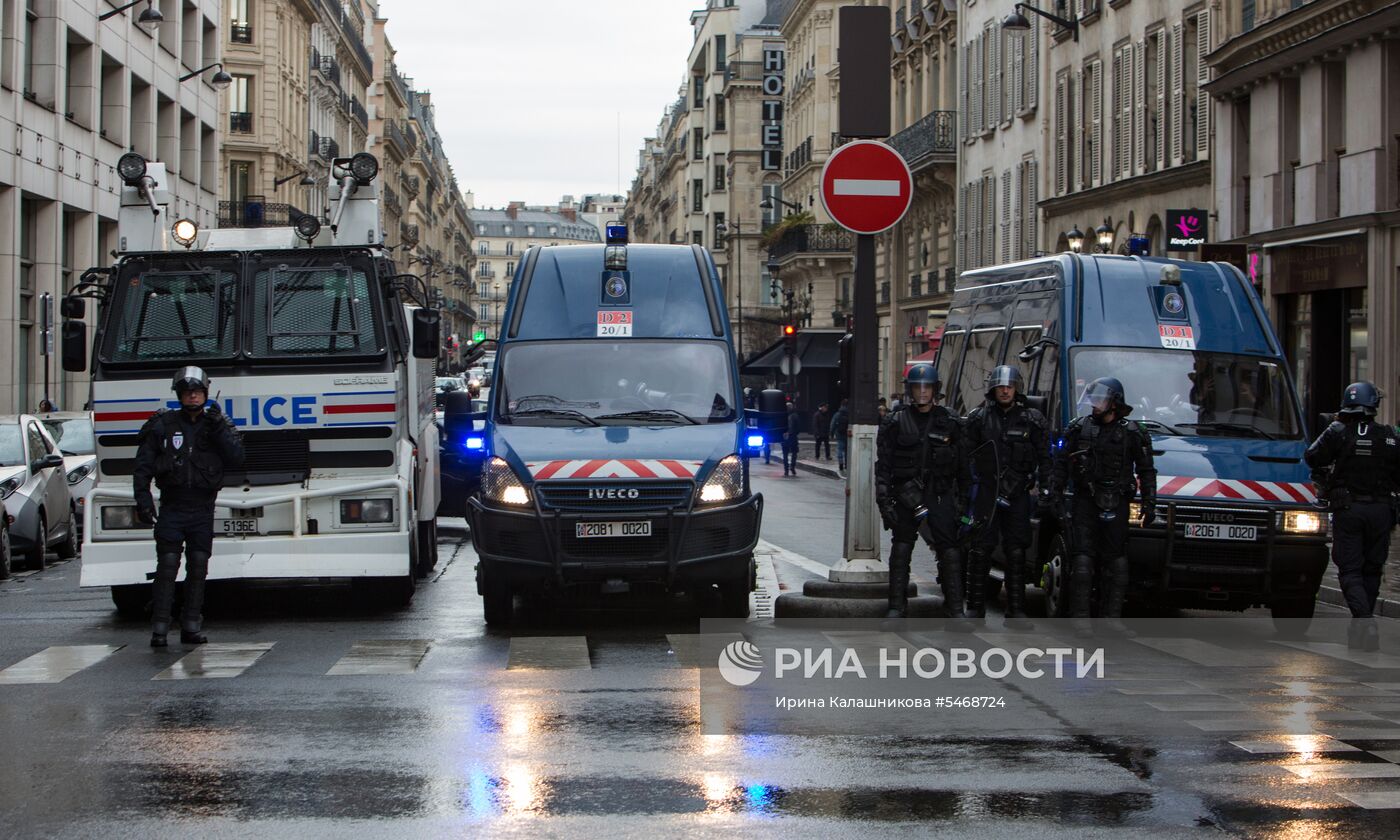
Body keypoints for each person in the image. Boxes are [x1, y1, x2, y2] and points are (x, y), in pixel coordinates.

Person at [132, 367, 244, 647]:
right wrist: (143, 501)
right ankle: (159, 629)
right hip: (172, 506)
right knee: (167, 567)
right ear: (179, 395)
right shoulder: (162, 424)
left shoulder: (216, 423)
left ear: (205, 394)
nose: (192, 396)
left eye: (197, 391)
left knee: (197, 567)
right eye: (187, 392)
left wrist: (219, 427)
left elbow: (237, 458)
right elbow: (142, 467)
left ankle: (191, 625)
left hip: (202, 508)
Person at [1050, 377, 1157, 636]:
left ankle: (1111, 619)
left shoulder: (1132, 433)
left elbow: (1146, 470)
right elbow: (1059, 464)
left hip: (1118, 501)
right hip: (1085, 501)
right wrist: (1054, 497)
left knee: (1117, 562)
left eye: (1100, 399)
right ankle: (1081, 618)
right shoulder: (1079, 428)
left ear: (1114, 403)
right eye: (1093, 399)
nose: (1094, 404)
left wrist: (1149, 503)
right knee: (1083, 560)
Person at [1304, 381, 1400, 651]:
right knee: (1372, 569)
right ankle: (1360, 632)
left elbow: (1312, 457)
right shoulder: (1390, 435)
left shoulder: (1338, 431)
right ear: (1374, 405)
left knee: (1350, 570)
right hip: (1382, 512)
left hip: (1349, 510)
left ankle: (1365, 621)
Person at [876, 363, 971, 623]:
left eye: (926, 387)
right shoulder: (894, 422)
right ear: (910, 390)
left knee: (949, 551)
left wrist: (964, 503)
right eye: (917, 387)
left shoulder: (950, 422)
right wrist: (884, 502)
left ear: (934, 390)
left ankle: (955, 610)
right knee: (901, 550)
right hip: (905, 495)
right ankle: (896, 607)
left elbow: (963, 468)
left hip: (940, 495)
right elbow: (882, 466)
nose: (922, 392)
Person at [964, 366, 1052, 629]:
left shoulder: (1032, 420)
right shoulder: (978, 418)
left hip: (1018, 495)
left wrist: (1047, 491)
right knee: (980, 550)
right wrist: (965, 493)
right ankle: (975, 609)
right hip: (987, 492)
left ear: (1016, 389)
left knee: (1016, 552)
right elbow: (965, 457)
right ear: (993, 389)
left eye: (1009, 386)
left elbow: (1046, 459)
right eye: (1001, 386)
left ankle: (1015, 609)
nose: (1005, 390)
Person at [831, 399, 850, 473]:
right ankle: (847, 464)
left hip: (839, 434)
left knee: (840, 449)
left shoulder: (837, 414)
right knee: (847, 450)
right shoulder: (850, 413)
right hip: (847, 434)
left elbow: (832, 424)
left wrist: (832, 433)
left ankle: (841, 464)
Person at [782, 401, 801, 476]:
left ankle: (786, 469)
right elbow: (798, 427)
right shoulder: (795, 415)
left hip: (785, 437)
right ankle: (792, 467)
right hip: (792, 436)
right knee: (794, 453)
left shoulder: (782, 416)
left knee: (785, 454)